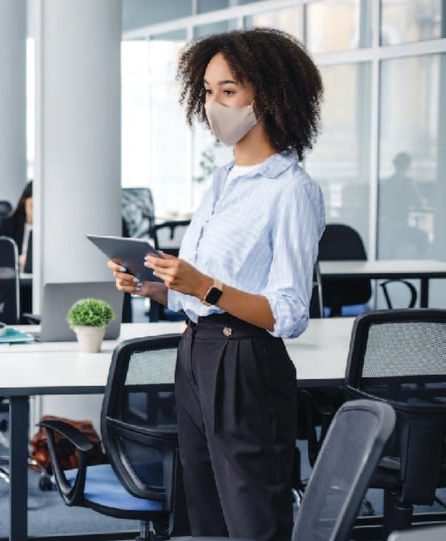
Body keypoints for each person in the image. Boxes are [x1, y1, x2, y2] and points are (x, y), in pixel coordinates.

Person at [108, 28, 324, 541]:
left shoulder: (291, 191)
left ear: (270, 95)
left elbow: (288, 314)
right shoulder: (222, 181)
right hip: (195, 351)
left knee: (251, 513)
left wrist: (204, 286)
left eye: (229, 91)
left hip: (246, 361)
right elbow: (200, 295)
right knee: (202, 510)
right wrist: (156, 287)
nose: (213, 104)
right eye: (207, 91)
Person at [0, 181, 33, 273]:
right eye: (33, 206)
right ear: (24, 201)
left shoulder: (49, 229)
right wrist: (17, 260)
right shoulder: (9, 224)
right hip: (15, 276)